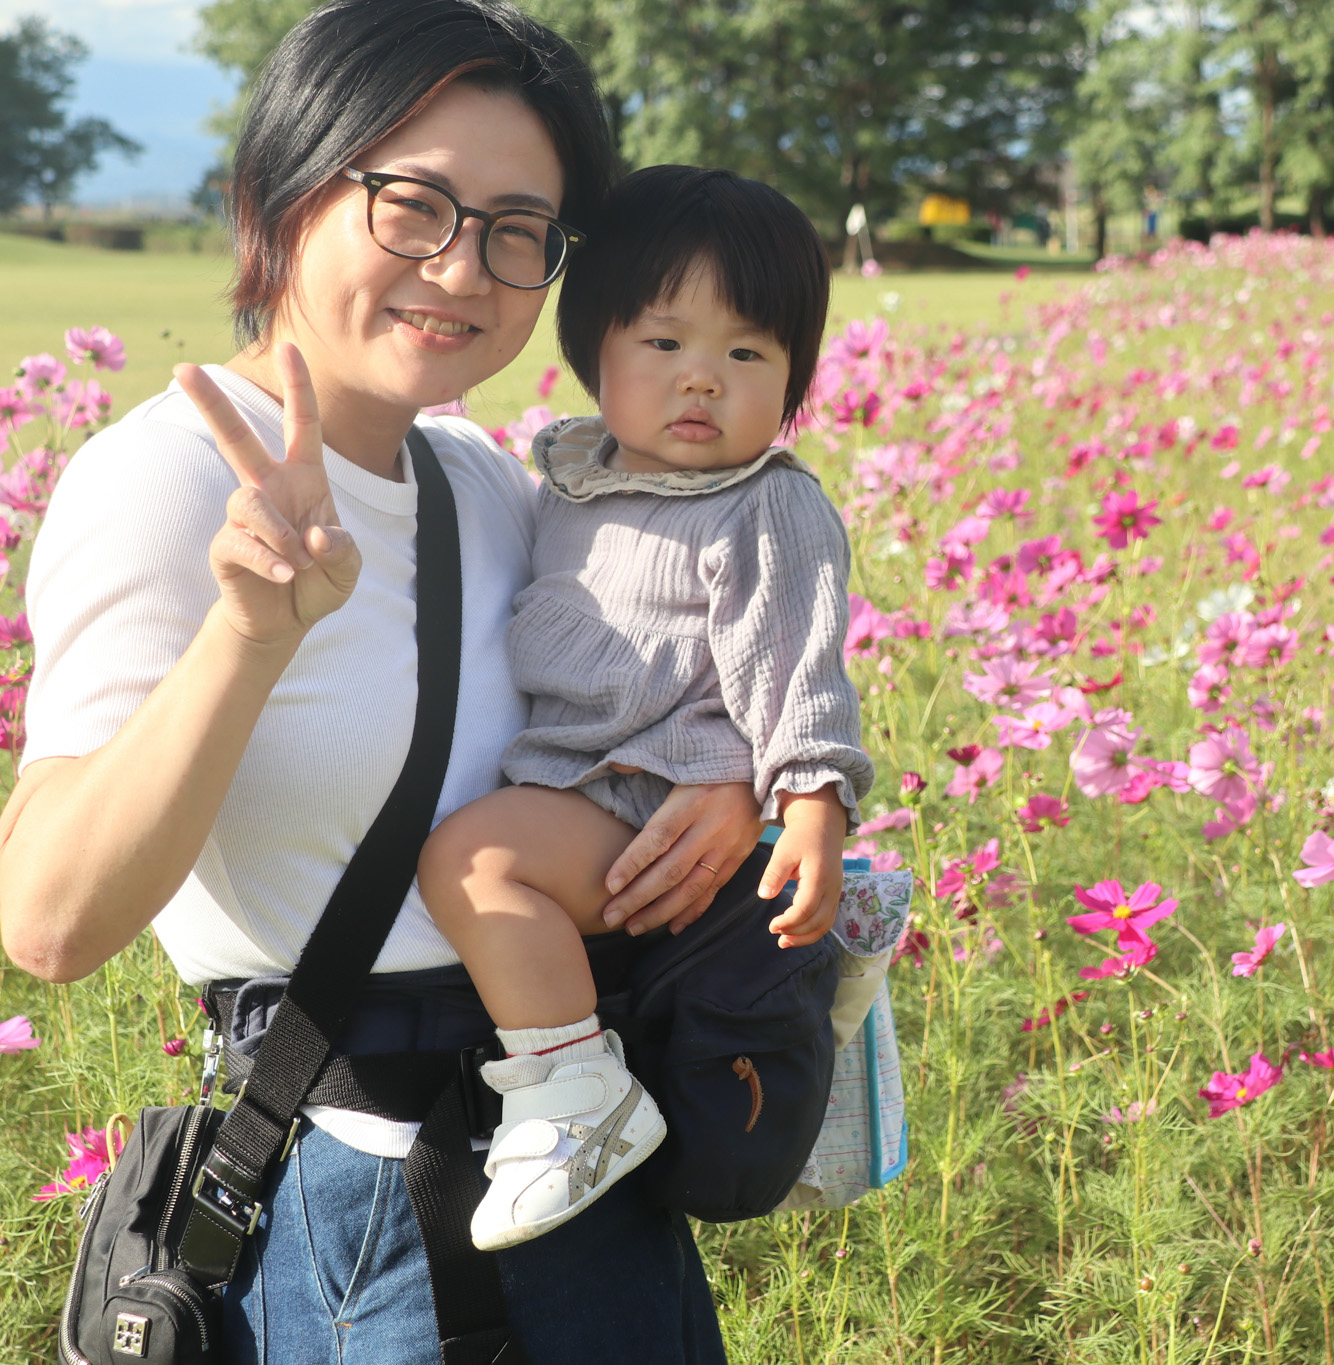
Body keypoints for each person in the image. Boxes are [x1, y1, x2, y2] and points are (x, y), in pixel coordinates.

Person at [0, 2, 748, 1359]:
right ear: (278, 198)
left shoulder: (483, 480)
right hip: (368, 1211)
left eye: (520, 229)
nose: (465, 270)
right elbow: (47, 919)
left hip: (584, 1161)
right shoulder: (160, 481)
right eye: (415, 206)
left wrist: (734, 783)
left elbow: (626, 718)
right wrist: (252, 631)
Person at [415, 165, 871, 1252]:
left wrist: (812, 801)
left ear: (794, 380)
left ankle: (574, 1095)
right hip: (587, 779)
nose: (702, 382)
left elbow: (797, 667)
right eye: (664, 345)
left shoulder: (765, 505)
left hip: (641, 793)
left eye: (747, 353)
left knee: (473, 861)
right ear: (594, 352)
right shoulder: (572, 480)